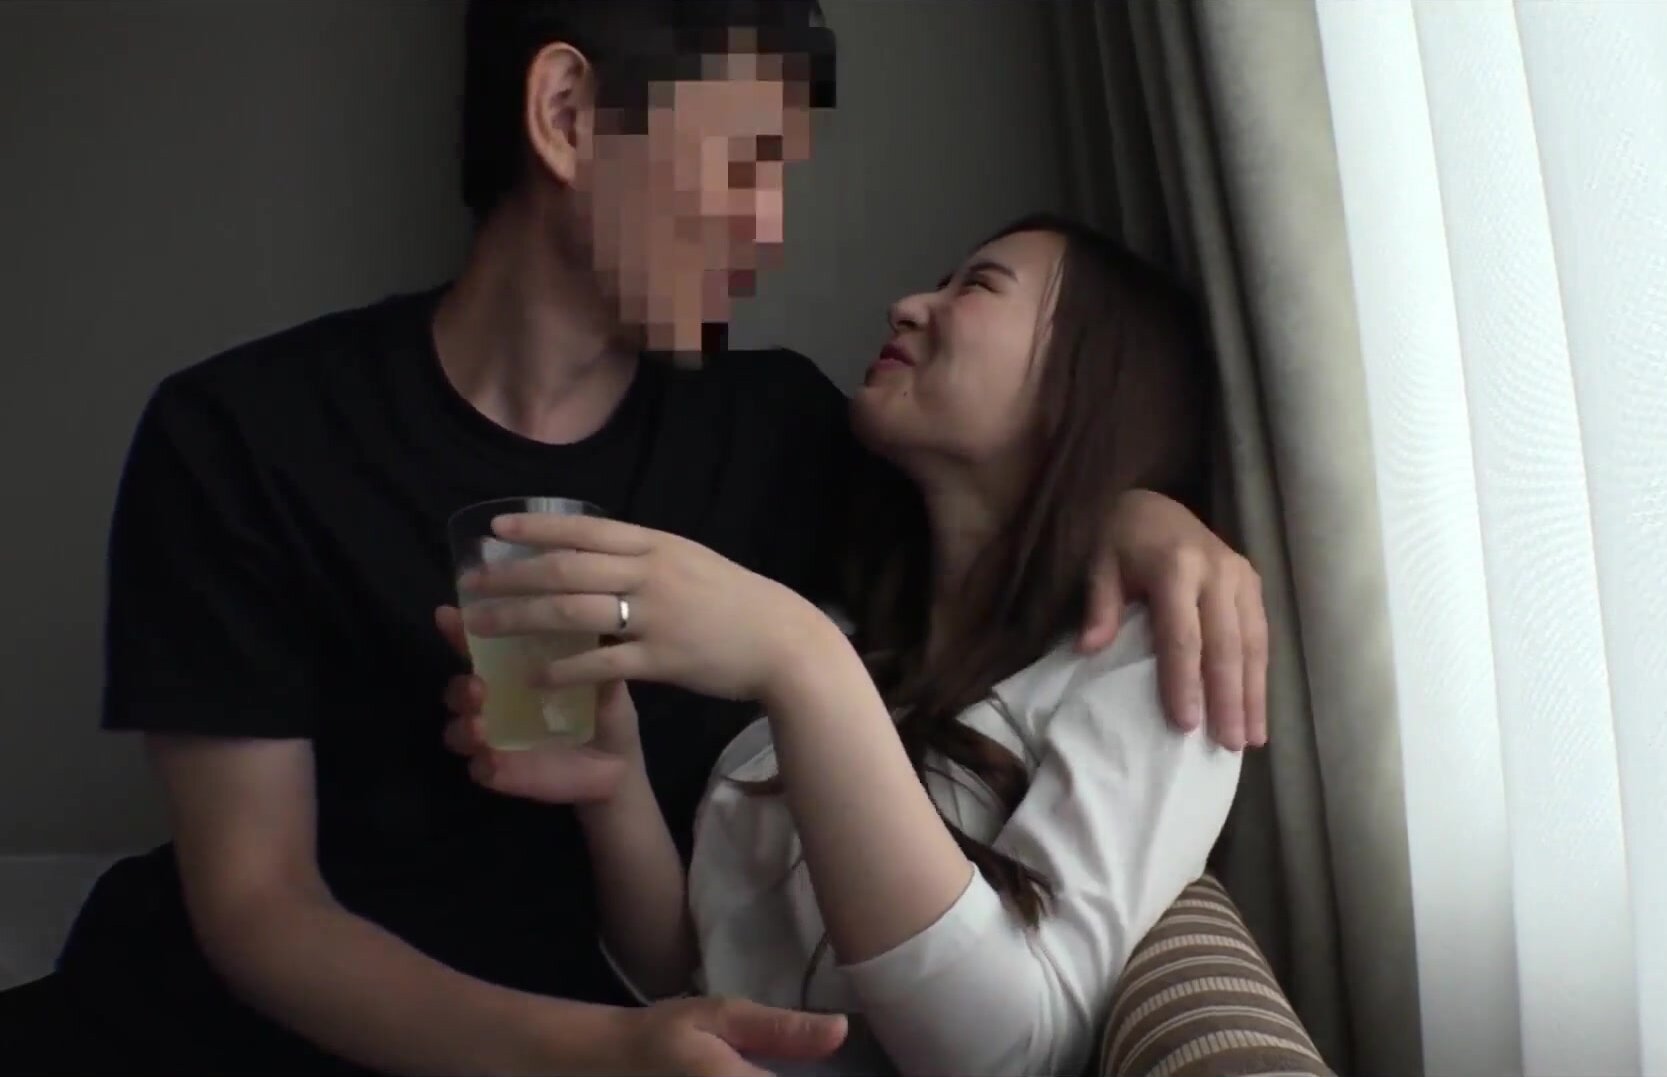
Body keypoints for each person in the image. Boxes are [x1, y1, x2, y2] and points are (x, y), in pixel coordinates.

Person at [0, 2, 1269, 1075]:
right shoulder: (244, 436)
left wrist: (1143, 513)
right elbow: (260, 911)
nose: (772, 229)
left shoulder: (791, 438)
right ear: (565, 116)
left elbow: (1004, 506)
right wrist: (601, 1054)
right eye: (746, 161)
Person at [440, 212, 1244, 1076]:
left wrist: (797, 659)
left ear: (1089, 376)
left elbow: (1012, 1051)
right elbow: (698, 979)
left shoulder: (1159, 654)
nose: (906, 305)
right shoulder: (860, 637)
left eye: (977, 285)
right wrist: (614, 786)